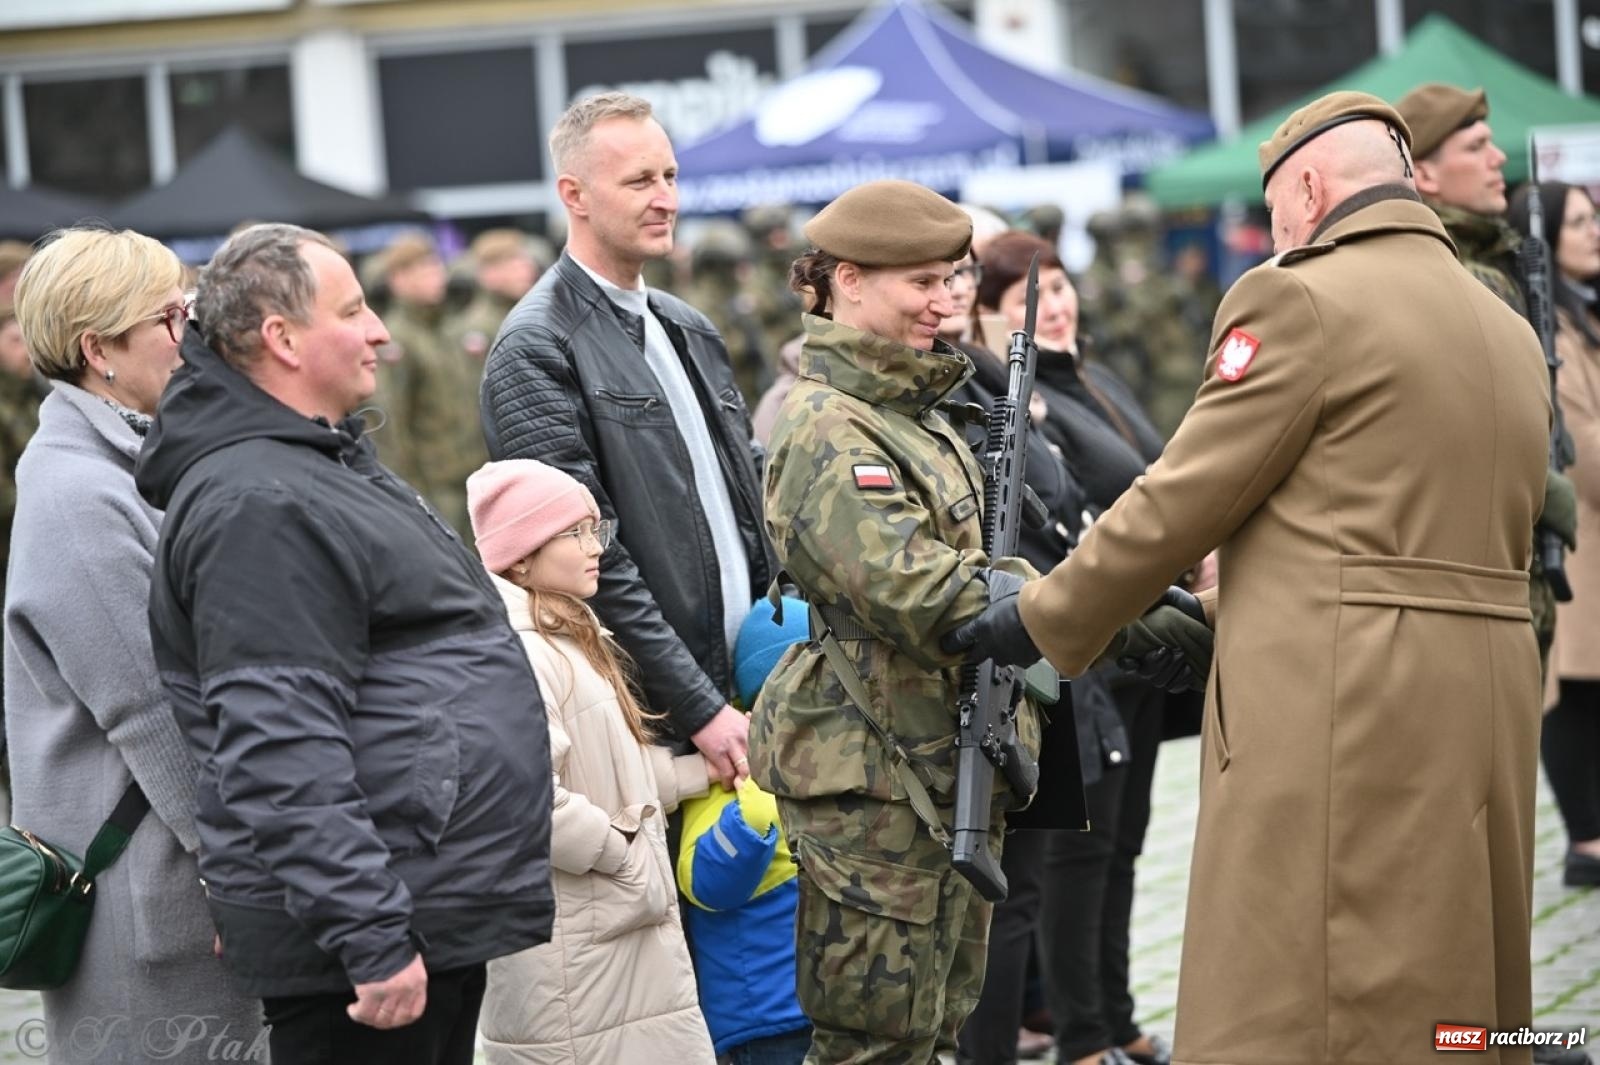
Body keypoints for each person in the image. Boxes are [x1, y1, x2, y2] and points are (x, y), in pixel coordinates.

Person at [950, 92, 1553, 1065]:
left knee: (1304, 993)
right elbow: (1402, 527)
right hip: (1484, 690)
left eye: (1273, 213)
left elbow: (1179, 500)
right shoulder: (1502, 327)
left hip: (1347, 693)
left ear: (1306, 189)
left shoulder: (1298, 296)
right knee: (1457, 991)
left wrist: (1044, 616)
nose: (1273, 234)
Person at [136, 223, 554, 1065]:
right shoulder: (258, 500)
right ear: (281, 339)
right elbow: (279, 741)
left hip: (416, 897)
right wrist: (368, 931)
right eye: (355, 309)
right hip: (369, 937)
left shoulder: (312, 465)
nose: (380, 331)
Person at [747, 178, 1043, 1064]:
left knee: (933, 1033)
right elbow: (931, 596)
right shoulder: (830, 428)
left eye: (955, 278)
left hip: (935, 763)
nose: (947, 301)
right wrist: (1093, 605)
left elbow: (988, 570)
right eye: (923, 282)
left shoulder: (911, 414)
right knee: (874, 1049)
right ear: (846, 281)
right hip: (875, 788)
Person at [6, 226, 262, 1060]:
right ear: (97, 350)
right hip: (151, 892)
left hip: (171, 874)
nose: (189, 331)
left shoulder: (128, 456)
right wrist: (238, 868)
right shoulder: (79, 490)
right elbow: (154, 709)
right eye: (168, 314)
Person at [481, 91, 772, 788]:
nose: (665, 197)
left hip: (755, 685)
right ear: (573, 195)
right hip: (656, 724)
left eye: (670, 176)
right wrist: (696, 704)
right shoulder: (537, 346)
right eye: (640, 180)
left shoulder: (687, 326)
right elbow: (588, 555)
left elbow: (746, 496)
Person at [966, 232, 1175, 1065]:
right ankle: (1080, 1032)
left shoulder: (1085, 376)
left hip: (1129, 647)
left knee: (1117, 849)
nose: (1054, 305)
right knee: (1056, 872)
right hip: (1068, 653)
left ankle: (1104, 1019)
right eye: (1029, 294)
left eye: (1057, 287)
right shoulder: (1010, 399)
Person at [464, 458, 716, 1064]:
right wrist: (617, 853)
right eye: (572, 532)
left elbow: (607, 766)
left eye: (594, 528)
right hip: (575, 954)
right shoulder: (519, 650)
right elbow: (525, 795)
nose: (594, 546)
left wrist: (700, 774)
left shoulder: (565, 632)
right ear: (520, 556)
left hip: (604, 940)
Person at [1396, 82, 1572, 668]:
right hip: (1480, 570)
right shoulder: (1452, 272)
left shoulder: (1493, 259)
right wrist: (1545, 489)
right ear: (1424, 174)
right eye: (1475, 148)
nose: (1497, 160)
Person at [676, 597, 814, 1065]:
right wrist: (757, 803)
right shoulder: (727, 773)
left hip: (831, 1007)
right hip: (766, 1019)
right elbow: (708, 885)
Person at [1510, 182, 1600, 890]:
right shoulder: (1552, 327)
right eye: (1579, 220)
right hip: (1581, 533)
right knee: (1571, 688)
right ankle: (1586, 836)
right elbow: (1581, 448)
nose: (1594, 230)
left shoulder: (1583, 313)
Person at [372, 231, 487, 542]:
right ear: (397, 279)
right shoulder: (396, 340)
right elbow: (392, 424)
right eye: (422, 270)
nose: (435, 276)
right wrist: (413, 494)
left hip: (474, 481)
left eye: (435, 267)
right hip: (435, 489)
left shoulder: (451, 329)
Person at [446, 228, 546, 363]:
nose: (526, 272)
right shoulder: (478, 327)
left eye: (525, 264)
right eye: (514, 267)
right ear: (489, 274)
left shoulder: (536, 312)